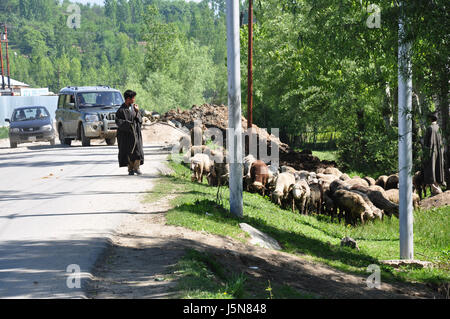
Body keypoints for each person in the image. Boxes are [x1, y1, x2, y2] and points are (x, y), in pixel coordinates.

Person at [115, 90, 144, 175]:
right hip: (126, 135)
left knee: (138, 150)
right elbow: (118, 122)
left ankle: (137, 167)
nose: (134, 100)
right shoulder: (121, 110)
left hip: (136, 134)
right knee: (129, 152)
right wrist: (128, 125)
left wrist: (137, 111)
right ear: (128, 99)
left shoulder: (134, 108)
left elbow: (139, 120)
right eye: (133, 98)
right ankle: (130, 169)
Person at [422, 113, 445, 195]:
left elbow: (426, 143)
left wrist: (424, 154)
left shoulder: (429, 128)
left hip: (431, 152)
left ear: (430, 119)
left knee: (430, 169)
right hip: (438, 152)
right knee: (437, 169)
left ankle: (436, 190)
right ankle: (437, 188)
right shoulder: (439, 128)